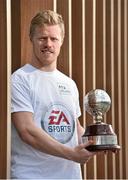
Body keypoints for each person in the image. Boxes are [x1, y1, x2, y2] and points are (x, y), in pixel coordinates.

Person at [11, 10, 96, 179]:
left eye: (54, 38)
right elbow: (26, 130)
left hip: (69, 175)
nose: (48, 44)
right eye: (42, 38)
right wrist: (71, 154)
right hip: (31, 175)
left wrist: (97, 141)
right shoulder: (20, 79)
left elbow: (74, 127)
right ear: (32, 39)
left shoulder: (69, 84)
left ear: (61, 41)